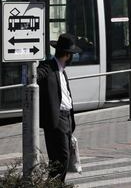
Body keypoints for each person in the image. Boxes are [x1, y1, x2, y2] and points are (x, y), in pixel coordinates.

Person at [37, 33, 82, 183]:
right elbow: (37, 74)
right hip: (56, 120)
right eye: (72, 54)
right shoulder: (48, 67)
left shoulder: (62, 71)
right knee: (62, 158)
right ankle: (54, 185)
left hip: (67, 118)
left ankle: (55, 185)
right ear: (67, 55)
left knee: (61, 159)